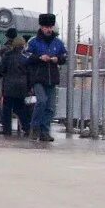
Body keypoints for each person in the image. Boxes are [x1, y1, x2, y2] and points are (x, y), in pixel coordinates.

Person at [23, 13, 68, 143]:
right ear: (41, 27)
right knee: (41, 100)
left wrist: (57, 59)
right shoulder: (33, 41)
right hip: (38, 77)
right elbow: (25, 55)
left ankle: (45, 131)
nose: (48, 29)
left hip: (52, 78)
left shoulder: (58, 43)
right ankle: (35, 127)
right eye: (46, 27)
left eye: (50, 27)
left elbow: (65, 56)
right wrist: (39, 57)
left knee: (50, 107)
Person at [0, 36, 31, 137]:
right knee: (21, 108)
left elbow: (0, 70)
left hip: (9, 86)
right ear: (23, 45)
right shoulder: (26, 57)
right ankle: (27, 128)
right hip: (22, 87)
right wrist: (30, 86)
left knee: (7, 109)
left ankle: (7, 129)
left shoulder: (7, 56)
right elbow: (30, 73)